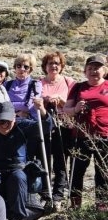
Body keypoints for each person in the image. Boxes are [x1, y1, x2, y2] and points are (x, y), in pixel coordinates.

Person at [63, 54, 108, 209]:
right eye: (90, 68)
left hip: (104, 135)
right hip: (81, 135)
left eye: (97, 68)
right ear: (85, 71)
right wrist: (76, 109)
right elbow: (66, 109)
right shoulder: (78, 87)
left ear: (104, 70)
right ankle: (75, 206)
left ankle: (102, 206)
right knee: (77, 171)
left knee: (102, 172)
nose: (94, 71)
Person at [40, 51, 75, 209]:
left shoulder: (69, 82)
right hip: (45, 126)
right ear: (45, 66)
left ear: (61, 66)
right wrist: (45, 100)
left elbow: (73, 104)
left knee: (61, 162)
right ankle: (46, 194)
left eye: (57, 63)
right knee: (45, 160)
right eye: (50, 63)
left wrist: (61, 101)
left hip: (64, 126)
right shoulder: (39, 83)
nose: (53, 66)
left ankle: (58, 196)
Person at [5, 53, 41, 119]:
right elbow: (1, 104)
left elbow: (28, 106)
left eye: (26, 67)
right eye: (19, 66)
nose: (22, 69)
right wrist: (16, 114)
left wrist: (8, 105)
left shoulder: (35, 84)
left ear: (30, 69)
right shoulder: (7, 84)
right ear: (15, 68)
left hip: (29, 120)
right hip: (9, 119)